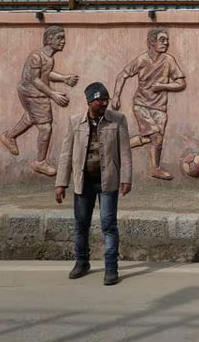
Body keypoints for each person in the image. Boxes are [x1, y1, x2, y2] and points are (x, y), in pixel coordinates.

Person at [55, 82, 132, 286]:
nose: (105, 103)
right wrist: (61, 183)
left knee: (108, 224)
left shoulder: (118, 120)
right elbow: (66, 153)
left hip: (108, 181)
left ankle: (111, 268)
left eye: (106, 100)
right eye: (100, 100)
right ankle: (81, 262)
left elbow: (125, 151)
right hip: (83, 182)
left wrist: (126, 178)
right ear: (90, 101)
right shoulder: (75, 122)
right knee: (81, 224)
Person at [0, 25, 78, 176]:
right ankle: (40, 162)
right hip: (32, 93)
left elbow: (46, 74)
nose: (63, 41)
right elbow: (35, 80)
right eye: (59, 38)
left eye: (63, 38)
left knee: (31, 118)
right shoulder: (37, 56)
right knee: (45, 127)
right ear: (49, 39)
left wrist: (64, 78)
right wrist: (53, 94)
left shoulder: (48, 58)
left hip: (32, 93)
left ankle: (9, 136)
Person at [112, 26, 187, 180]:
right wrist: (116, 96)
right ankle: (155, 169)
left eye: (167, 40)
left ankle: (117, 146)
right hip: (142, 105)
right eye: (162, 40)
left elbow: (181, 83)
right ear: (152, 42)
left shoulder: (169, 60)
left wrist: (163, 86)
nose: (166, 43)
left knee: (150, 139)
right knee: (156, 138)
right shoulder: (142, 60)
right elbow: (122, 75)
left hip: (160, 108)